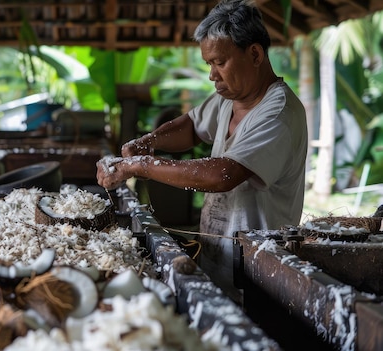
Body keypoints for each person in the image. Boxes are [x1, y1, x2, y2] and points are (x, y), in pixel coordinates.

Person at [96, 0, 308, 304]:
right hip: (218, 257)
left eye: (219, 62)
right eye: (209, 64)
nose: (212, 75)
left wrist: (140, 166)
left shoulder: (278, 113)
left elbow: (225, 173)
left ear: (255, 54)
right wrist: (148, 142)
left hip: (259, 272)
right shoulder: (229, 97)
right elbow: (192, 126)